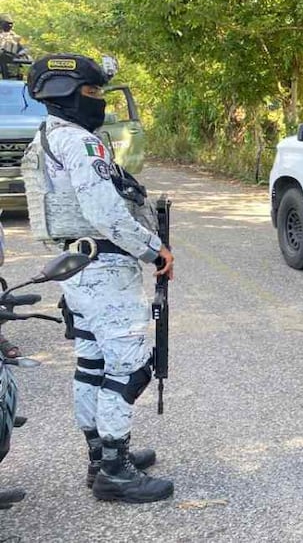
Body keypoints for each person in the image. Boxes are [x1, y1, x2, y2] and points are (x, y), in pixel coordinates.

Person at [23, 53, 174, 503]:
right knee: (129, 367)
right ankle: (115, 468)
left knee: (92, 363)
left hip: (76, 266)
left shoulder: (46, 137)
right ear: (66, 95)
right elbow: (105, 211)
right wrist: (154, 250)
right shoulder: (81, 143)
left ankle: (99, 455)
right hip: (104, 267)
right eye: (92, 93)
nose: (100, 102)